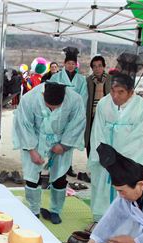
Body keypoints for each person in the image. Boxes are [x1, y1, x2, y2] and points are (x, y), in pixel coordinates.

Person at [13, 82, 86, 224]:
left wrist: (64, 145)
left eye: (56, 107)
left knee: (59, 175)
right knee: (33, 176)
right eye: (49, 106)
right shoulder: (30, 99)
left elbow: (77, 122)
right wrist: (32, 150)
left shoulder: (74, 100)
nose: (52, 109)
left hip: (62, 138)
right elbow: (23, 125)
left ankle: (55, 210)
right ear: (42, 95)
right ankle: (34, 209)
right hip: (36, 139)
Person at [88, 71, 143, 222]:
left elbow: (142, 137)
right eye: (113, 91)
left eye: (121, 92)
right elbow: (97, 131)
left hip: (128, 159)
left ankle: (124, 223)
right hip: (105, 158)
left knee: (126, 190)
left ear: (131, 92)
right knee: (102, 188)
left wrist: (120, 160)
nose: (115, 96)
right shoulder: (104, 103)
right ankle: (100, 220)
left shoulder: (141, 107)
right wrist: (104, 155)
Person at [50, 47, 88, 178]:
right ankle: (53, 164)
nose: (71, 66)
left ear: (76, 65)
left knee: (69, 139)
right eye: (68, 63)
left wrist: (76, 111)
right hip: (59, 113)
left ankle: (68, 166)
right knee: (56, 140)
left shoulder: (81, 79)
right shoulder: (56, 76)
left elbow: (83, 96)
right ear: (64, 64)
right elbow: (50, 93)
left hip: (73, 115)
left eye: (73, 63)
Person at [86, 55, 111, 157]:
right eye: (94, 66)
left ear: (104, 66)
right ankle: (91, 164)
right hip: (91, 116)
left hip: (107, 117)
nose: (97, 68)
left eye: (100, 66)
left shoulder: (111, 80)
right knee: (91, 140)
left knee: (105, 141)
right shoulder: (88, 81)